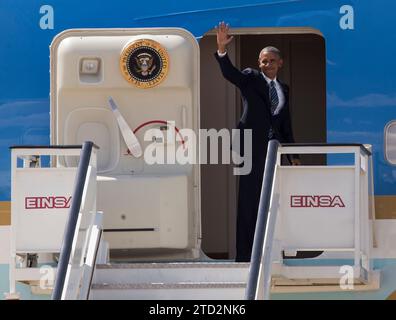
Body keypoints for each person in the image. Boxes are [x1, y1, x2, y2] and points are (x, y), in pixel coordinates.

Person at [214, 21, 300, 262]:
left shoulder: (284, 88)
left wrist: (294, 155)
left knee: (274, 200)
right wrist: (222, 50)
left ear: (280, 63)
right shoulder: (251, 78)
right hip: (250, 148)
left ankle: (271, 252)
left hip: (275, 151)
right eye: (263, 61)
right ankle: (244, 255)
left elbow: (285, 124)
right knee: (249, 201)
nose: (267, 64)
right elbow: (230, 74)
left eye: (272, 60)